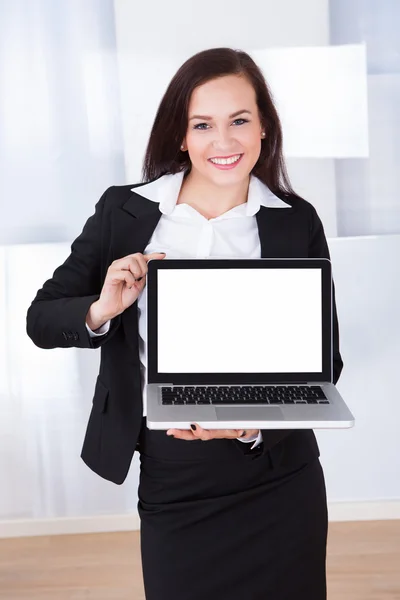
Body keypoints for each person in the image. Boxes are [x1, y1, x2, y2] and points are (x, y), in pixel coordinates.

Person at [26, 47, 344, 599]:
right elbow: (41, 320)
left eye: (240, 121)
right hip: (175, 470)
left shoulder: (296, 221)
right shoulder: (124, 212)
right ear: (181, 134)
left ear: (264, 127)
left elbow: (326, 360)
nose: (224, 142)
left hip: (275, 467)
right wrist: (104, 308)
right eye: (203, 124)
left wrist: (249, 425)